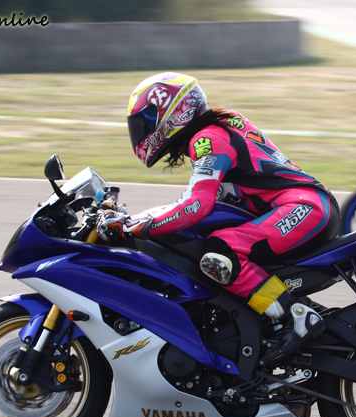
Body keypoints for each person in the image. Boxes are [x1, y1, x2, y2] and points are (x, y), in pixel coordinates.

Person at [96, 72, 339, 364]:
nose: (141, 131)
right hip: (306, 207)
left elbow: (196, 205)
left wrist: (142, 226)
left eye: (144, 123)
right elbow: (193, 202)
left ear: (170, 113)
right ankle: (289, 315)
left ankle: (295, 316)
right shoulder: (217, 129)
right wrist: (138, 218)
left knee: (220, 252)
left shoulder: (208, 138)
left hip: (304, 208)